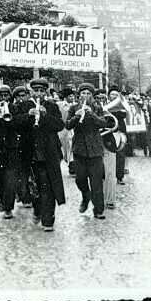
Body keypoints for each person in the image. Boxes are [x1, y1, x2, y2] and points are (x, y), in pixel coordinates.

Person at [16, 77, 65, 232]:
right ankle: (37, 210)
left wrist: (45, 116)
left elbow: (59, 125)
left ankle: (48, 220)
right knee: (33, 188)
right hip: (30, 153)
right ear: (31, 91)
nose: (38, 94)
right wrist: (28, 116)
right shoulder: (24, 105)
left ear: (45, 92)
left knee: (48, 187)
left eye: (41, 91)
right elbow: (15, 124)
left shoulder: (51, 106)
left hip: (48, 153)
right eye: (35, 91)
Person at [66, 83, 107, 219]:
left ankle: (99, 210)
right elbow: (67, 125)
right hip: (80, 150)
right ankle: (85, 196)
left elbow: (103, 123)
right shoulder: (73, 108)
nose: (85, 96)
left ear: (92, 96)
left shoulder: (97, 107)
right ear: (79, 95)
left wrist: (92, 114)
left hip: (95, 150)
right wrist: (77, 116)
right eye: (83, 93)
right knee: (80, 179)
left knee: (96, 182)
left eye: (88, 94)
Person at [0, 84, 20, 218]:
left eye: (6, 95)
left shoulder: (14, 108)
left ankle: (8, 207)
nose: (4, 98)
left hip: (11, 147)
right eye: (1, 96)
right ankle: (2, 198)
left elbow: (18, 125)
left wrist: (9, 116)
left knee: (10, 178)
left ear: (10, 97)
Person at [11, 85, 33, 207]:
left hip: (31, 141)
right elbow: (14, 121)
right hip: (19, 143)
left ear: (27, 95)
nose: (21, 98)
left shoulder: (32, 105)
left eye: (23, 95)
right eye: (18, 96)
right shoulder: (14, 108)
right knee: (22, 171)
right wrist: (27, 116)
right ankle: (25, 197)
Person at [107, 86, 129, 187]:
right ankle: (108, 175)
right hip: (108, 132)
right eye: (112, 94)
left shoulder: (122, 105)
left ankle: (119, 176)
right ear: (109, 96)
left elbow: (123, 114)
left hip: (120, 131)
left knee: (120, 153)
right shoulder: (105, 105)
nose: (114, 96)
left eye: (116, 95)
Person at [56, 88, 75, 175]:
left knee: (71, 147)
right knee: (63, 148)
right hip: (62, 130)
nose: (72, 98)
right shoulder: (59, 105)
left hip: (72, 129)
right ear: (66, 97)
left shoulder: (75, 105)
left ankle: (72, 166)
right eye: (70, 96)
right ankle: (66, 162)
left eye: (73, 96)